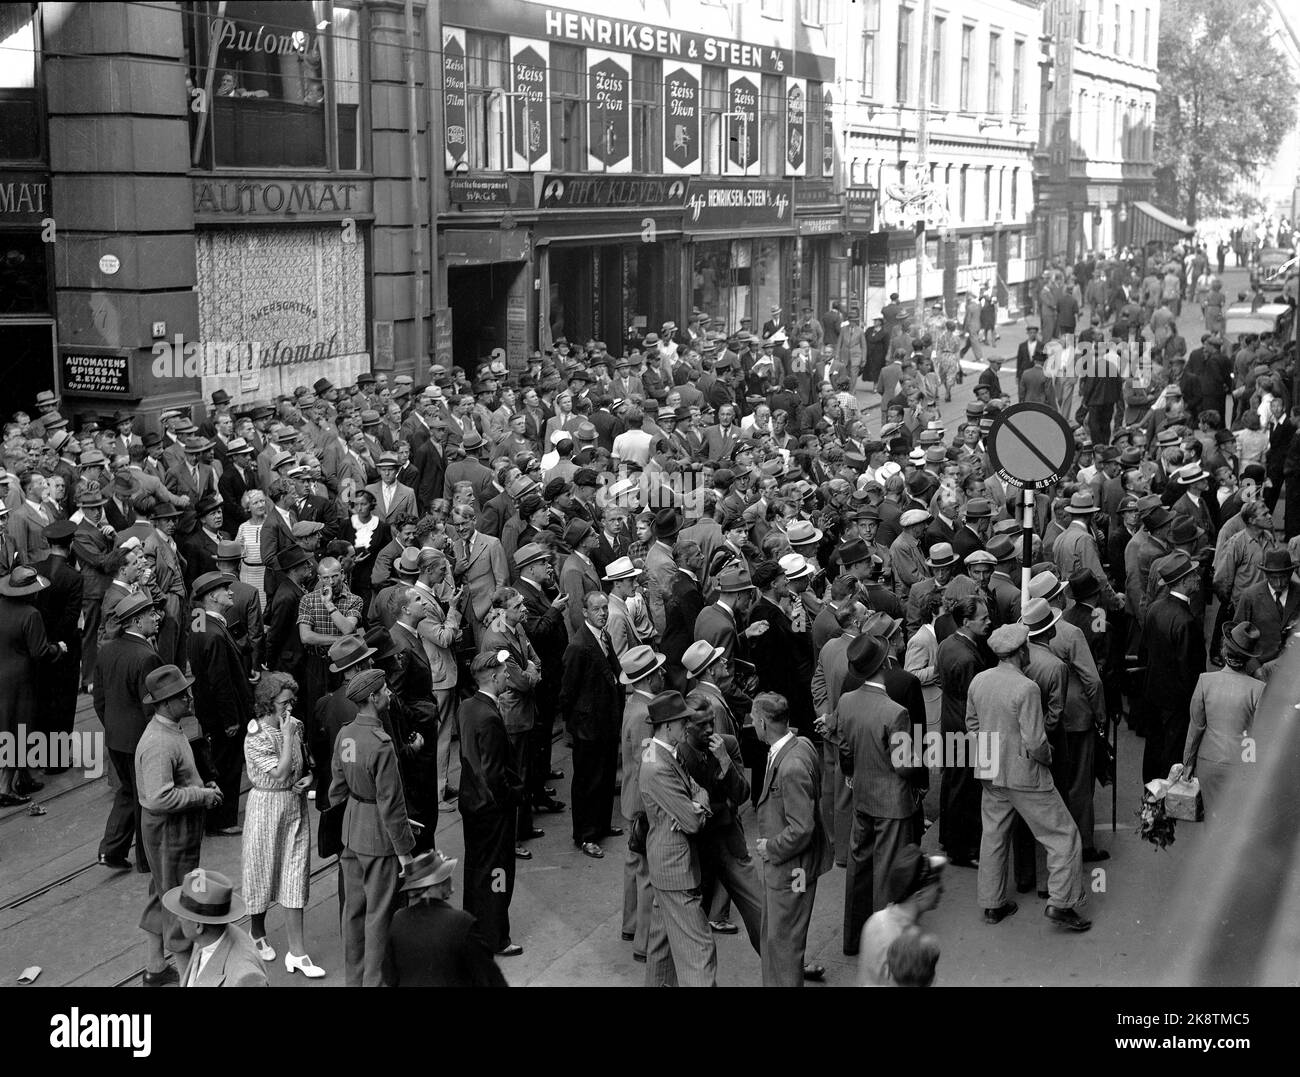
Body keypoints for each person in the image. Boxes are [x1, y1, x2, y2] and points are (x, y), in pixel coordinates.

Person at [966, 624, 1090, 932]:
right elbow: (1036, 742)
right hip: (1025, 776)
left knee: (993, 836)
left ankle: (992, 904)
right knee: (1063, 835)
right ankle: (1062, 903)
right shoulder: (1027, 688)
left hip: (990, 770)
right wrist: (1046, 761)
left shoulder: (979, 681)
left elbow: (971, 725)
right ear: (1021, 652)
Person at [837, 633, 926, 955]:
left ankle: (852, 940)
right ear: (885, 663)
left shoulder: (846, 701)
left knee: (859, 869)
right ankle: (885, 945)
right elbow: (904, 765)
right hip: (892, 801)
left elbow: (844, 748)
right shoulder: (895, 711)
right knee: (888, 873)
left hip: (862, 794)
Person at [135, 664, 222, 986]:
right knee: (178, 902)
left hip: (170, 831)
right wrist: (201, 796)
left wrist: (201, 787)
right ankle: (189, 979)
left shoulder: (170, 728)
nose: (189, 698)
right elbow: (159, 798)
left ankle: (155, 968)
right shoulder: (159, 742)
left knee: (161, 892)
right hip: (170, 831)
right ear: (165, 703)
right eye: (181, 695)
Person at [329, 667, 417, 986]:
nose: (389, 695)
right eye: (384, 691)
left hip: (351, 829)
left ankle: (354, 980)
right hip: (378, 836)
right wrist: (405, 852)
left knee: (353, 913)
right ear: (373, 697)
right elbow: (390, 803)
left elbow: (336, 787)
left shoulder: (346, 734)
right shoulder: (381, 743)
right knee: (379, 917)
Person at [242, 671, 323, 977]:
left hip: (293, 804)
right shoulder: (256, 736)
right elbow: (279, 773)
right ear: (268, 702)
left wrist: (309, 777)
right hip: (266, 805)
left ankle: (297, 953)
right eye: (284, 702)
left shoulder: (296, 726)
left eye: (292, 701)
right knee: (261, 867)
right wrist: (287, 736)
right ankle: (256, 931)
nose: (289, 707)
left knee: (295, 871)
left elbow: (304, 763)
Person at [639, 689, 717, 987]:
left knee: (662, 946)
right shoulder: (659, 766)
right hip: (676, 869)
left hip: (664, 864)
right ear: (667, 725)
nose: (688, 726)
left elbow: (698, 790)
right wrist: (693, 808)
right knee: (699, 950)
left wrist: (695, 802)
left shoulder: (658, 751)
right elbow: (692, 822)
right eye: (683, 721)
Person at [752, 691, 832, 987]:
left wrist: (770, 847)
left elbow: (802, 828)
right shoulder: (803, 745)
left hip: (792, 869)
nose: (751, 723)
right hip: (793, 867)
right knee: (777, 938)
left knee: (783, 944)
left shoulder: (791, 767)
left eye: (752, 718)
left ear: (762, 722)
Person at [458, 650, 525, 957]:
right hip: (492, 808)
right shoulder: (489, 717)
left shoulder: (468, 707)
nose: (506, 677)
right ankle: (497, 934)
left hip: (471, 802)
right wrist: (514, 795)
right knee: (498, 873)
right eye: (503, 673)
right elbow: (494, 773)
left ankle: (473, 928)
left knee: (475, 869)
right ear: (494, 677)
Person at [92, 591, 163, 870]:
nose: (156, 618)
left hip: (116, 738)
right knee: (145, 797)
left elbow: (99, 699)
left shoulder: (107, 650)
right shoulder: (146, 656)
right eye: (150, 614)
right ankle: (146, 860)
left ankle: (111, 850)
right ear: (135, 620)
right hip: (140, 740)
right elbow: (151, 707)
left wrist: (112, 725)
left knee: (127, 792)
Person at [188, 571, 255, 836]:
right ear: (212, 597)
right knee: (227, 764)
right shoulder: (215, 634)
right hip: (223, 714)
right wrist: (231, 720)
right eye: (225, 589)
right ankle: (223, 820)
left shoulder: (199, 622)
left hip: (206, 710)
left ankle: (216, 815)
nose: (230, 592)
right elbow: (221, 681)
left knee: (217, 761)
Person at [560, 590, 624, 858]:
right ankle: (586, 835)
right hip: (588, 726)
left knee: (606, 775)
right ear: (584, 612)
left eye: (605, 608)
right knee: (588, 781)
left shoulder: (603, 636)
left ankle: (601, 825)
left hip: (606, 721)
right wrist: (576, 725)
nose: (603, 613)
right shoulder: (578, 646)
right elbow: (567, 693)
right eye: (597, 609)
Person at [384, 848, 507, 987]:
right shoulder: (461, 922)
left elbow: (389, 976)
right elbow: (491, 978)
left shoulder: (399, 919)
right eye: (446, 876)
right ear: (437, 884)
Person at [1182, 623, 1263, 823]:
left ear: (1224, 649)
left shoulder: (1205, 681)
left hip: (1209, 761)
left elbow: (1196, 728)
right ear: (1249, 658)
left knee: (1212, 819)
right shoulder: (1258, 689)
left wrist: (1188, 763)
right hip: (1240, 763)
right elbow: (1256, 735)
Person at [0, 566, 66, 803]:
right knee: (17, 730)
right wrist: (58, 648)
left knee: (6, 727)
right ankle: (5, 787)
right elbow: (39, 652)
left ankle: (24, 777)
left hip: (1, 676)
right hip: (20, 680)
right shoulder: (30, 614)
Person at [858, 844, 946, 986]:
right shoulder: (904, 944)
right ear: (920, 895)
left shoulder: (876, 919)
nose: (942, 890)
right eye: (936, 883)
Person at [165, 868, 267, 987]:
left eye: (184, 915)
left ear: (198, 926)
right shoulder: (208, 937)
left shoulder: (246, 977)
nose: (179, 919)